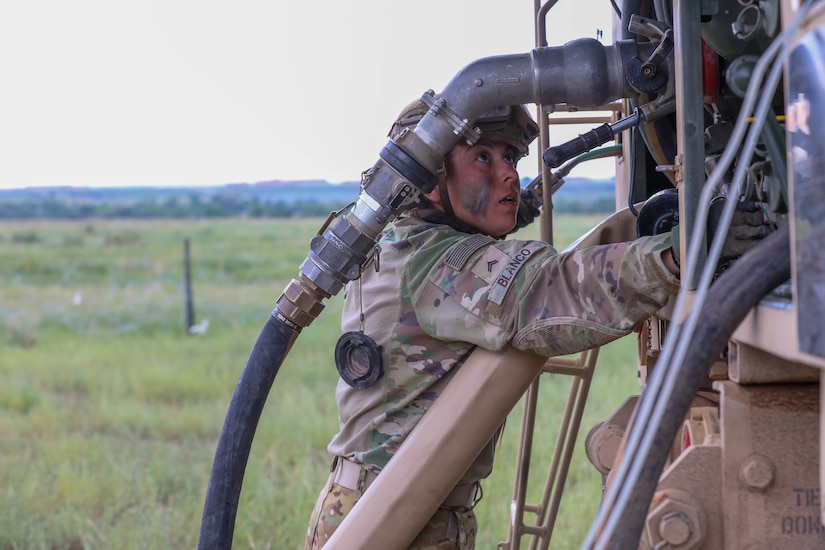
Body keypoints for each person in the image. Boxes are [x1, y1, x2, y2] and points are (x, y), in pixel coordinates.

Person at [304, 99, 759, 549]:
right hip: (389, 518)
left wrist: (642, 223)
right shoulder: (434, 263)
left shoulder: (403, 240)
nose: (507, 173)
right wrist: (677, 255)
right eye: (483, 157)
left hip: (393, 506)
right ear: (428, 178)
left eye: (510, 158)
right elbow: (552, 291)